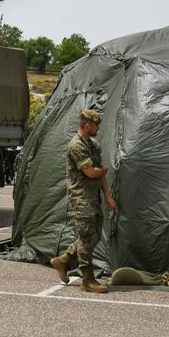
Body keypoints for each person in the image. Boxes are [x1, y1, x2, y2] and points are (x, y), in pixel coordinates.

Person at [50, 109, 117, 293]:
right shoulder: (76, 146)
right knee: (87, 238)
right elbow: (91, 172)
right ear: (87, 125)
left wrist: (108, 196)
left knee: (93, 235)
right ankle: (87, 280)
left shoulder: (93, 145)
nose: (98, 128)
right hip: (81, 198)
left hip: (93, 197)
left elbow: (99, 174)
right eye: (96, 125)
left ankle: (63, 260)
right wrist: (103, 170)